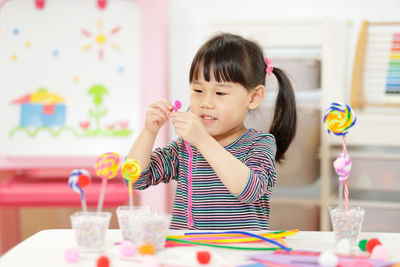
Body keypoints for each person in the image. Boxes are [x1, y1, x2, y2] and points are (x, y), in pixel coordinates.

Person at [126, 33, 297, 230]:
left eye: (220, 93)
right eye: (198, 90)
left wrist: (203, 141)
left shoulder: (259, 144)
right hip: (191, 255)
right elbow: (134, 178)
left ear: (254, 97)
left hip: (239, 254)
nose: (206, 102)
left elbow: (249, 190)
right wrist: (149, 131)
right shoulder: (185, 148)